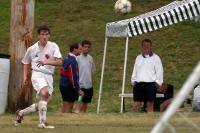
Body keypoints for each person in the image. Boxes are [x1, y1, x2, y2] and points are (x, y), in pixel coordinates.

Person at [15, 24, 62, 128]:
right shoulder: (32, 49)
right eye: (42, 34)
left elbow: (59, 62)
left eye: (46, 34)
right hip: (37, 74)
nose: (44, 36)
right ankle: (42, 123)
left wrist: (47, 62)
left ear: (49, 35)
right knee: (44, 93)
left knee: (43, 102)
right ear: (38, 36)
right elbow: (26, 62)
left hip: (49, 76)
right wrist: (25, 77)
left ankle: (20, 113)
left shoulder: (54, 46)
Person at [131, 39, 163, 112]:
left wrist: (157, 83)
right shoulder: (138, 58)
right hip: (139, 84)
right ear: (142, 46)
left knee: (150, 103)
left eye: (148, 45)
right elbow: (135, 70)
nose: (146, 47)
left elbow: (160, 71)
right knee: (136, 104)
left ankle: (150, 119)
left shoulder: (156, 58)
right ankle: (134, 120)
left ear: (151, 46)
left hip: (151, 84)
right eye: (144, 45)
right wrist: (133, 81)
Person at [59, 43, 84, 113]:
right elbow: (72, 77)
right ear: (75, 50)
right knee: (68, 108)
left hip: (63, 85)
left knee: (65, 105)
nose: (81, 51)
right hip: (68, 86)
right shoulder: (72, 61)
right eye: (80, 49)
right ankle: (67, 119)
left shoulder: (67, 58)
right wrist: (78, 89)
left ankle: (62, 118)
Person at [75, 40, 95, 113]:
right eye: (85, 47)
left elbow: (92, 71)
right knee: (79, 100)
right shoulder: (77, 58)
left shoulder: (90, 58)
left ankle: (83, 115)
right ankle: (77, 113)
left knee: (85, 102)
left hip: (88, 86)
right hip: (80, 86)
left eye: (88, 47)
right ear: (82, 47)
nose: (87, 48)